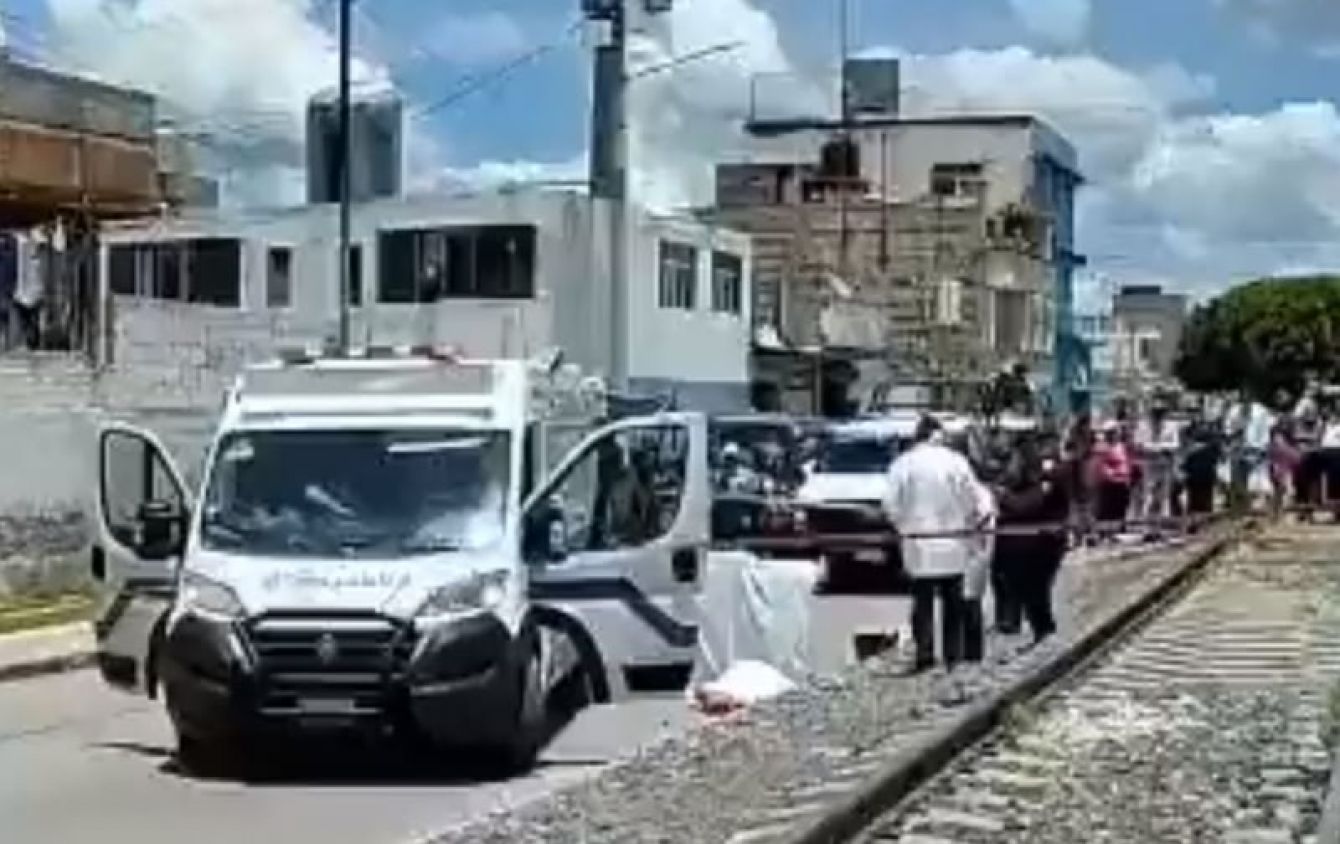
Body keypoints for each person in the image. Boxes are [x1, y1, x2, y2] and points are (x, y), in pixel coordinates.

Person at [882, 415, 993, 674]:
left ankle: (925, 654)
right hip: (954, 540)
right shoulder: (956, 462)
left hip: (918, 542)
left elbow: (889, 503)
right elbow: (972, 498)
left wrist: (904, 526)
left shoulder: (903, 464)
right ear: (939, 435)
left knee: (922, 601)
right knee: (953, 601)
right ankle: (952, 656)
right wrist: (969, 522)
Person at [992, 434, 1071, 645]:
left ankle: (1044, 632)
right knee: (1026, 591)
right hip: (1019, 546)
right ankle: (1038, 630)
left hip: (1042, 545)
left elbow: (1028, 505)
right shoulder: (1013, 478)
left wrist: (1003, 497)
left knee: (1037, 591)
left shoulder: (1047, 477)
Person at [1134, 404, 1180, 538]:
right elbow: (1138, 444)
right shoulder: (1143, 426)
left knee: (1161, 497)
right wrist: (1153, 448)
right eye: (1155, 413)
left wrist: (1159, 448)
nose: (1157, 416)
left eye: (1160, 413)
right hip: (1149, 466)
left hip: (1165, 466)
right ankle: (1147, 529)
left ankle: (1157, 529)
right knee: (1149, 497)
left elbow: (1175, 445)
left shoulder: (1171, 426)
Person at [1092, 421, 1133, 538]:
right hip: (1108, 483)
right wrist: (1112, 474)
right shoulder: (1101, 447)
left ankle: (1116, 532)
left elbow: (1127, 462)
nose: (1114, 434)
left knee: (1121, 508)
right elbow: (1100, 465)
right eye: (1110, 432)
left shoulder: (1121, 446)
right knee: (1106, 509)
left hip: (1123, 482)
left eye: (1115, 432)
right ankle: (1103, 534)